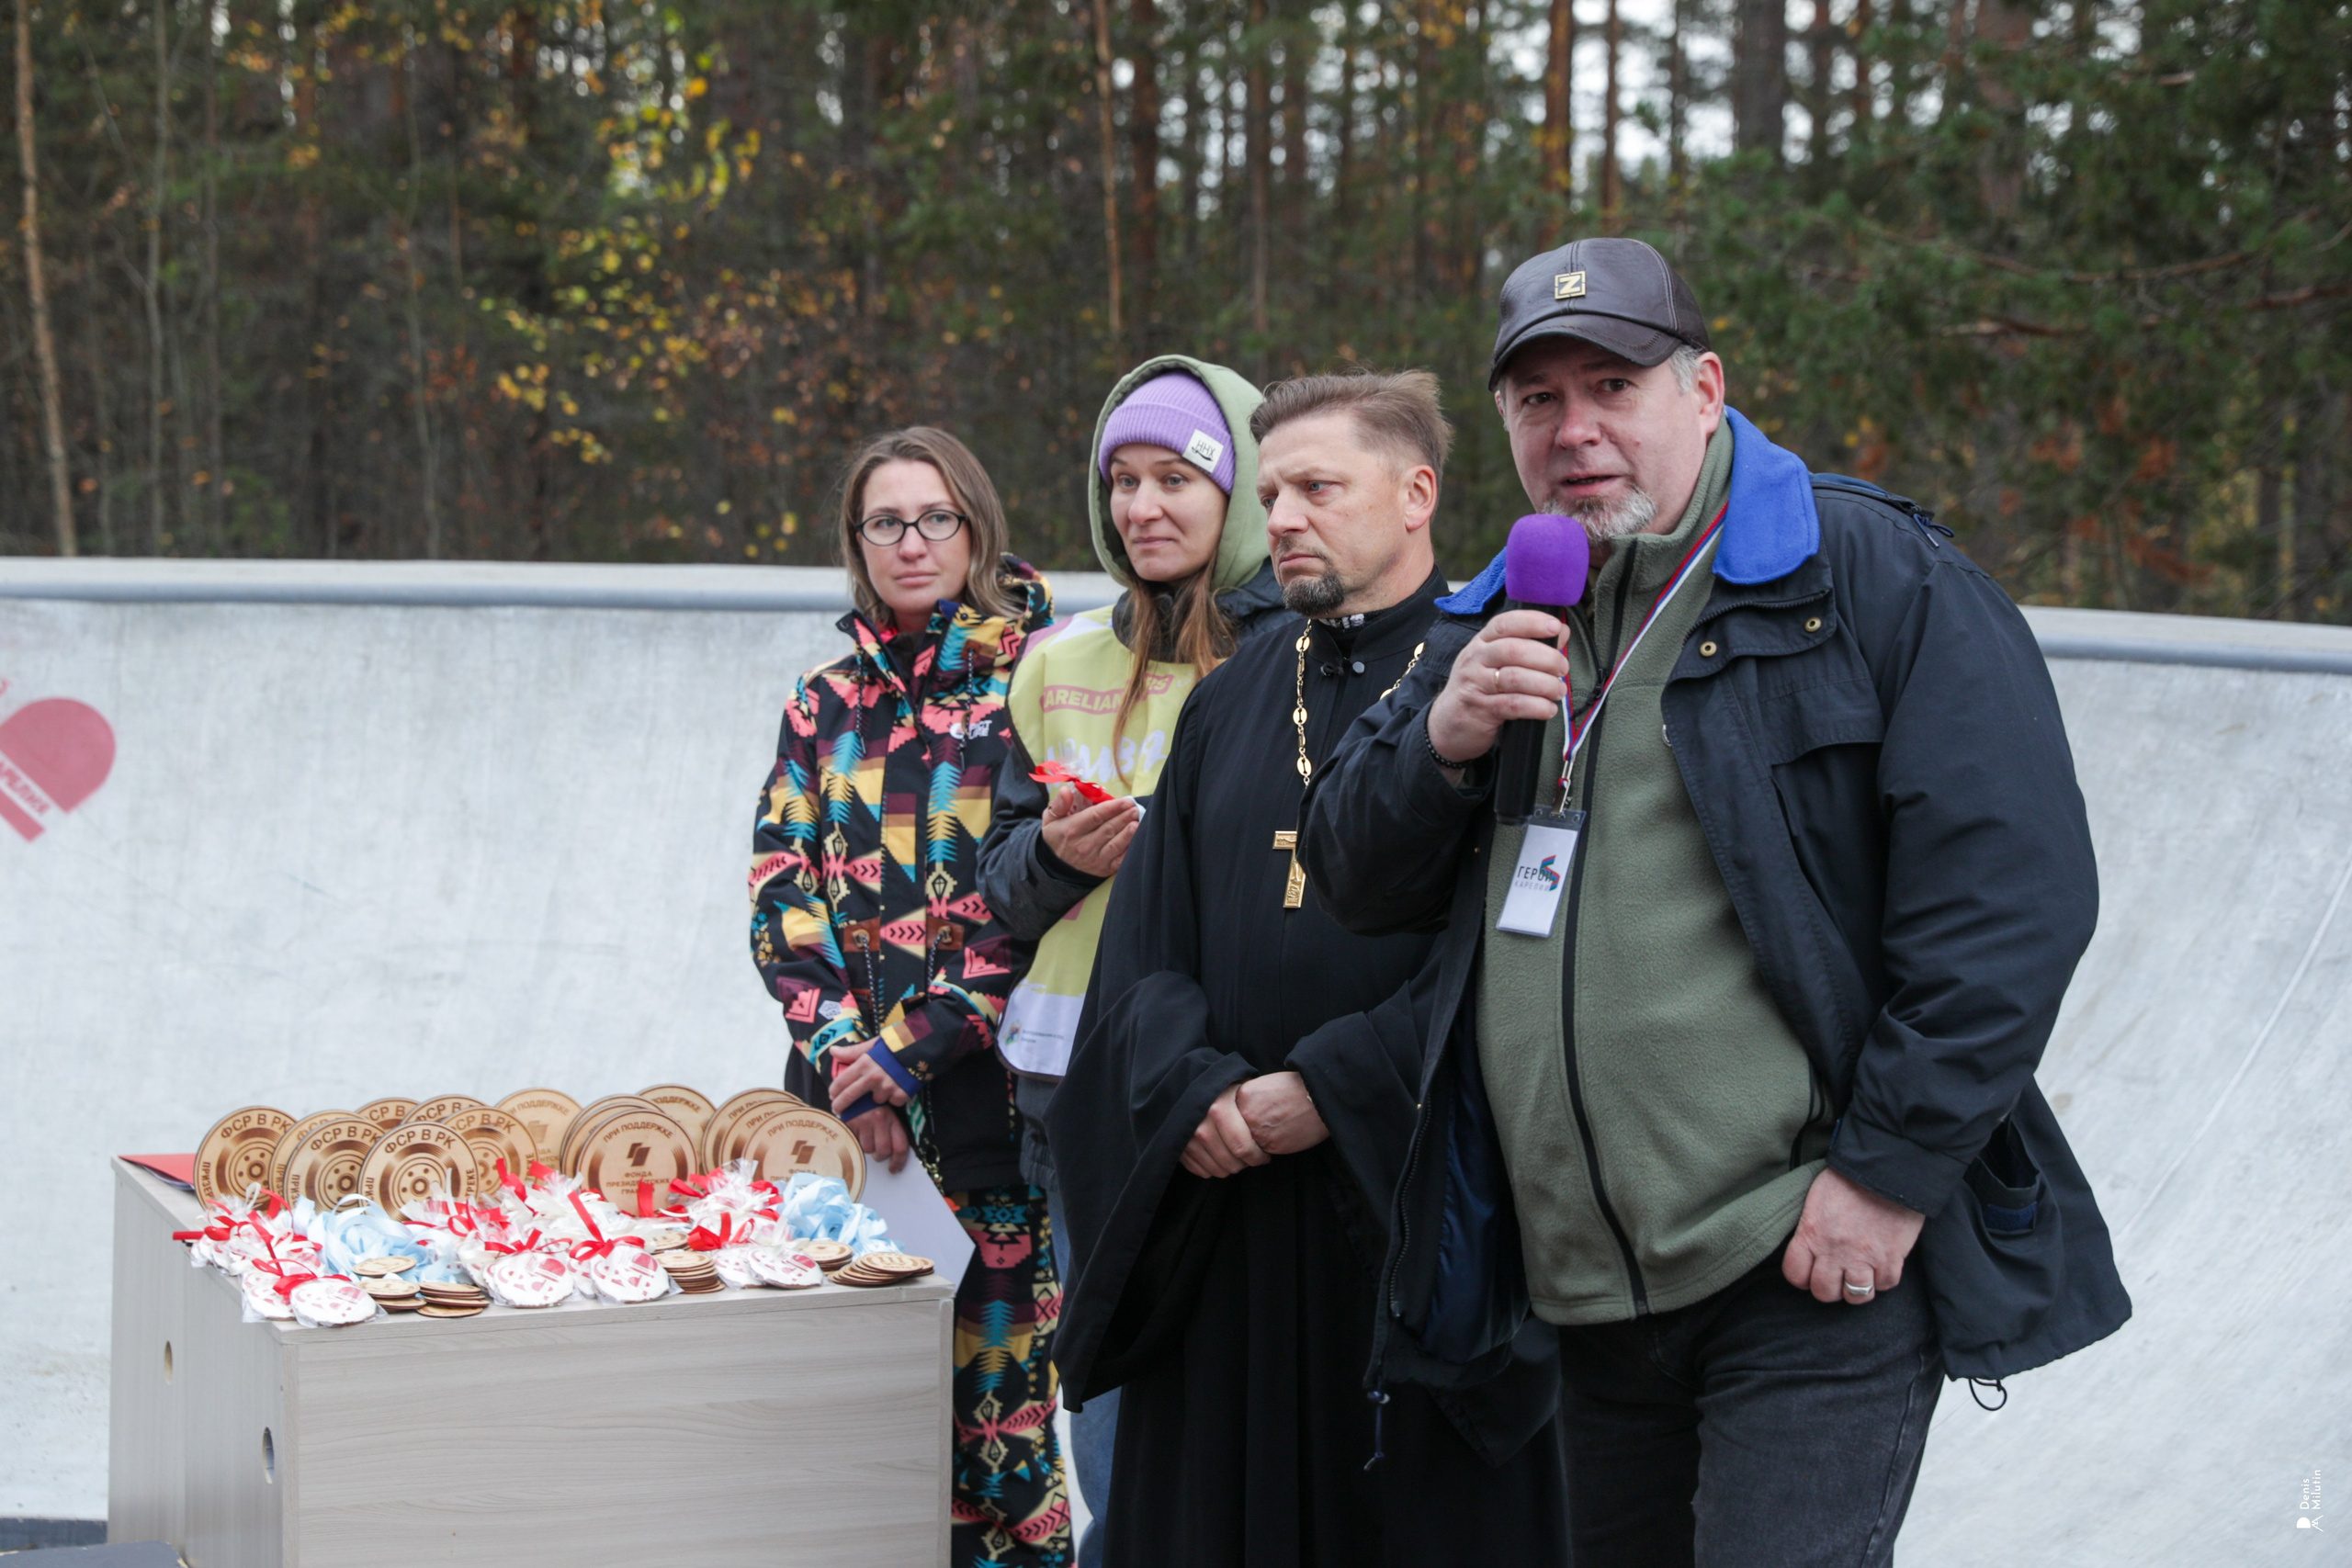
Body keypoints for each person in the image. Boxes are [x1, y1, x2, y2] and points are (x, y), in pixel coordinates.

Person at [1299, 237, 2132, 1567]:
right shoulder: (1503, 600)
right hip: (1584, 1290)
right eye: (1537, 399)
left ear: (1703, 387)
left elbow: (2012, 897)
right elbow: (1349, 875)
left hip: (1797, 1262)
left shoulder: (1863, 577)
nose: (1574, 431)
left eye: (1612, 385)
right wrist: (1441, 737)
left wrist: (1886, 1173)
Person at [1047, 371, 1573, 1567]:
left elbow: (1514, 949)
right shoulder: (1232, 698)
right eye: (1271, 489)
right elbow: (1147, 946)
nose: (1281, 515)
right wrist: (1194, 1087)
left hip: (1408, 1214)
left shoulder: (1497, 682)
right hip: (1221, 1219)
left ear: (1415, 494)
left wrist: (1330, 1086)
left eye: (1319, 486)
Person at [976, 357, 1284, 1565]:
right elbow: (997, 882)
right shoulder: (1054, 663)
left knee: (1245, 1399)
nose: (1142, 508)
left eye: (1175, 479)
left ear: (1239, 492)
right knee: (1106, 1404)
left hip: (1235, 1078)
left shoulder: (1294, 652)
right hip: (1078, 1078)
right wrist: (1054, 857)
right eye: (1122, 481)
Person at [748, 427, 1069, 1568]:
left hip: (987, 1117)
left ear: (976, 526)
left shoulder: (1042, 674)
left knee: (1001, 1440)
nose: (912, 542)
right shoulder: (821, 704)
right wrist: (849, 1063)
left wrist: (909, 1053)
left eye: (936, 517)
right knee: (872, 1442)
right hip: (847, 1135)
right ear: (857, 543)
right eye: (886, 522)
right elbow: (782, 893)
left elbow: (1035, 899)